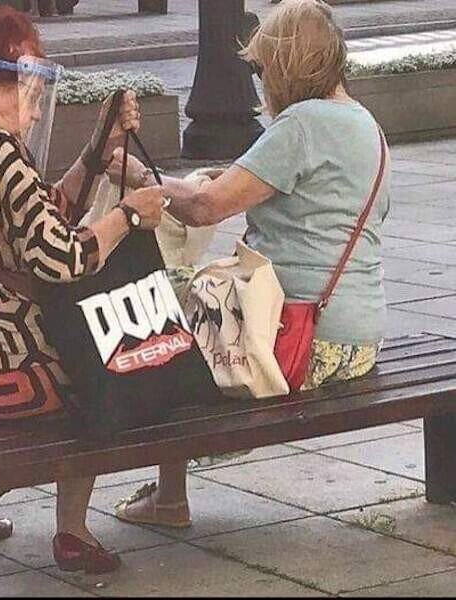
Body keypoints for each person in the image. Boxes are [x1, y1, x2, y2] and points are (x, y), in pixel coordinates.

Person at [109, 0, 390, 528]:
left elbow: (203, 207)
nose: (260, 83)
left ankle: (166, 494)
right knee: (184, 307)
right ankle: (168, 491)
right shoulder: (366, 126)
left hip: (297, 338)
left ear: (287, 65)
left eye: (262, 69)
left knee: (157, 306)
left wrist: (141, 178)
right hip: (359, 340)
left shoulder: (302, 123)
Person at [0, 3, 166, 573]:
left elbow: (43, 215)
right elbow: (62, 257)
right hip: (15, 379)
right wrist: (128, 214)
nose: (34, 105)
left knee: (25, 342)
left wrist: (95, 152)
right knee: (97, 364)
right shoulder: (1, 154)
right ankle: (72, 529)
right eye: (26, 87)